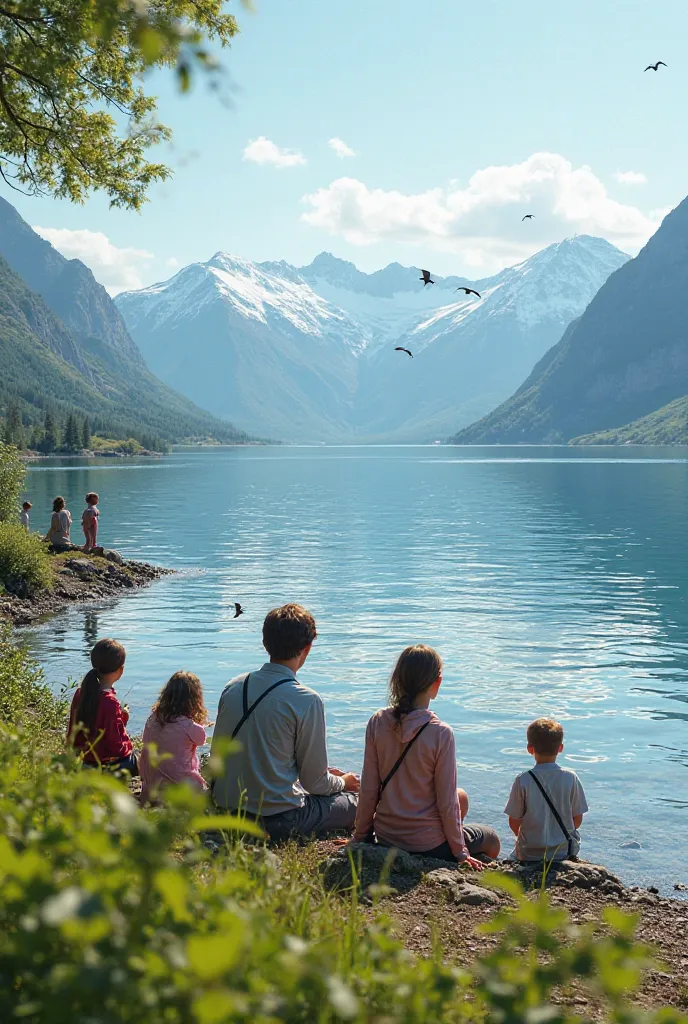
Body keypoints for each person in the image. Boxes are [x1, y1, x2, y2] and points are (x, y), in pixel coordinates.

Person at [210, 603, 360, 841]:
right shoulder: (307, 700)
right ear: (307, 648)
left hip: (225, 809)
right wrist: (343, 781)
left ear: (264, 642)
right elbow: (316, 784)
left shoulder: (233, 686)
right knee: (353, 802)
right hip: (276, 821)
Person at [353, 645, 500, 868]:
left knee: (462, 797)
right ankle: (462, 846)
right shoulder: (441, 733)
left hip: (386, 836)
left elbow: (369, 789)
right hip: (428, 845)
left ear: (397, 679)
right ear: (437, 683)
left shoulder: (377, 722)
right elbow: (446, 801)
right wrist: (460, 853)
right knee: (491, 838)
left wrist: (359, 837)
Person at [504, 717, 588, 863]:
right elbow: (577, 818)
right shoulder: (571, 778)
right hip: (562, 852)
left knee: (509, 860)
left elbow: (514, 820)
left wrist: (525, 837)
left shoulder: (523, 780)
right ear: (560, 748)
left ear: (530, 749)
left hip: (528, 852)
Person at [67, 638, 138, 775]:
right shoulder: (110, 702)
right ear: (121, 670)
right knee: (140, 759)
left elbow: (76, 730)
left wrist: (120, 716)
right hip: (105, 767)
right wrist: (128, 744)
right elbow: (116, 748)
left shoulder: (81, 693)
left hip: (85, 761)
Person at [140, 671, 210, 804]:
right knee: (204, 789)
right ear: (195, 699)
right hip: (176, 783)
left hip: (151, 781)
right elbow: (201, 740)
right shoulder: (189, 726)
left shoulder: (153, 718)